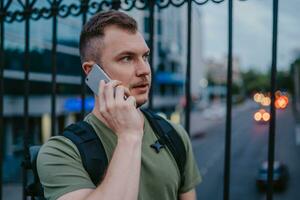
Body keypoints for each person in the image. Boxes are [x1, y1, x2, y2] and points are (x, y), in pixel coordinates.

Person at [37, 10, 201, 200]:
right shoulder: (61, 153)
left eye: (145, 57)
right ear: (92, 72)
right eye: (127, 58)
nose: (144, 70)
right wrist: (129, 136)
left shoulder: (174, 134)